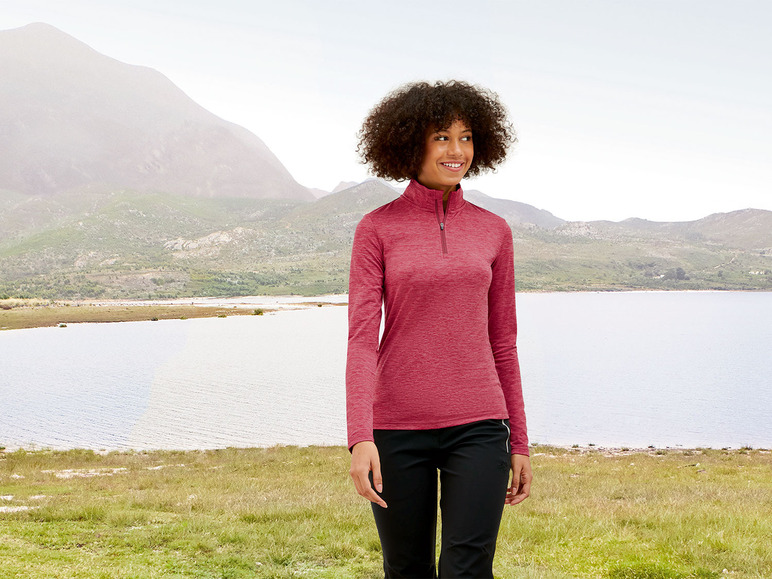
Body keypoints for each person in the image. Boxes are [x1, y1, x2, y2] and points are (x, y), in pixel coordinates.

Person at [346, 80, 531, 579]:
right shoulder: (376, 228)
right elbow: (362, 339)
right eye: (442, 137)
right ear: (410, 143)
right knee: (406, 569)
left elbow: (504, 342)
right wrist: (359, 436)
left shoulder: (495, 230)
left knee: (466, 569)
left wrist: (520, 442)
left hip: (479, 426)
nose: (457, 150)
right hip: (396, 428)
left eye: (467, 137)